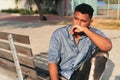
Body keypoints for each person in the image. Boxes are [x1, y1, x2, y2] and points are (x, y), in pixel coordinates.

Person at [48, 3, 112, 80]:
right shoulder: (60, 34)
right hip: (62, 75)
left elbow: (108, 46)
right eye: (76, 19)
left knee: (103, 54)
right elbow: (52, 62)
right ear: (73, 17)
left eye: (83, 21)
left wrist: (85, 30)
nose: (78, 24)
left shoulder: (92, 33)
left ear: (90, 22)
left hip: (80, 75)